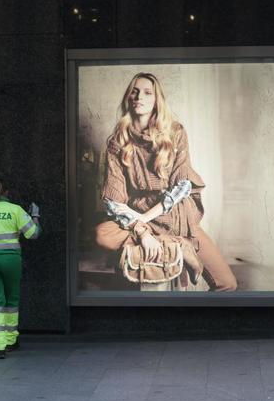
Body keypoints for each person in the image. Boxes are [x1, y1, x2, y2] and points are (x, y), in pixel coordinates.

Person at [94, 72, 237, 291]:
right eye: (135, 91)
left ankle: (181, 242)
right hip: (139, 219)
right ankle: (180, 247)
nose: (139, 96)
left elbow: (183, 187)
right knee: (102, 234)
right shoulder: (117, 141)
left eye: (147, 92)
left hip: (177, 217)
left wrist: (145, 218)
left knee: (227, 284)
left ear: (156, 100)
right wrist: (142, 230)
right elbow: (114, 203)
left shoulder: (175, 132)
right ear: (128, 98)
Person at [0, 176, 41, 358]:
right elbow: (33, 234)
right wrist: (35, 216)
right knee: (11, 300)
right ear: (6, 193)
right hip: (11, 261)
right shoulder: (15, 210)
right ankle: (12, 340)